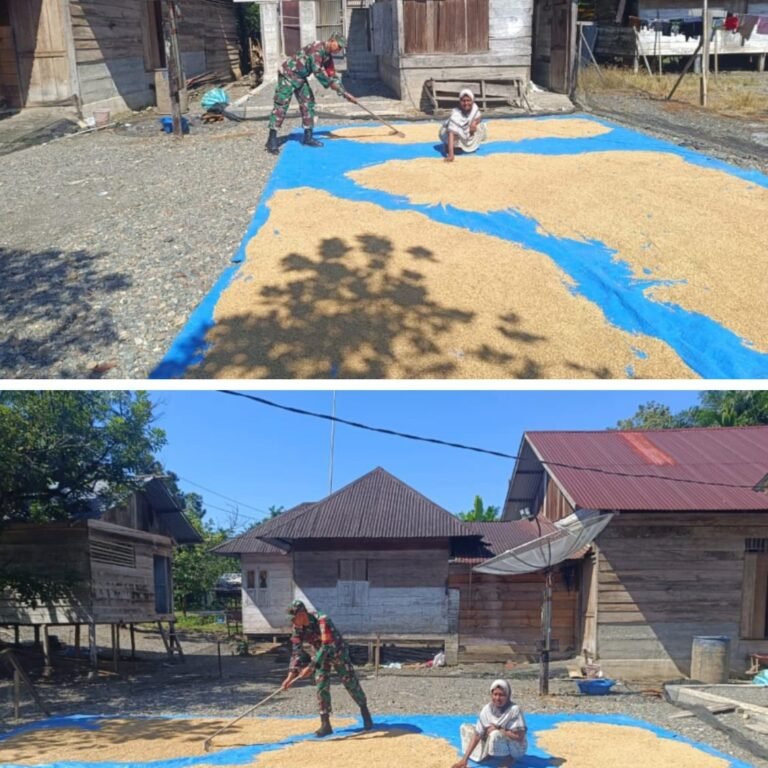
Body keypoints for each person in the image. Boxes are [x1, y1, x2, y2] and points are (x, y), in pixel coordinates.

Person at [281, 599, 374, 737]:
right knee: (321, 685)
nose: (292, 622)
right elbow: (296, 651)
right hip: (320, 655)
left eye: (293, 618)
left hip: (337, 652)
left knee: (350, 682)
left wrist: (310, 667)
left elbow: (326, 645)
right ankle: (325, 724)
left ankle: (365, 711)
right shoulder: (297, 628)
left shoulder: (322, 620)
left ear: (301, 614)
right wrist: (290, 676)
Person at [265, 33, 358, 155]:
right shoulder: (317, 49)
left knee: (308, 103)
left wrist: (344, 92)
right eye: (339, 46)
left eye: (341, 48)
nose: (339, 50)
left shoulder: (327, 56)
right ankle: (271, 140)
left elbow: (332, 75)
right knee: (281, 105)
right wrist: (333, 86)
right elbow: (318, 72)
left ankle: (308, 137)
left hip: (300, 78)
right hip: (288, 74)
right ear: (332, 40)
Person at [450, 679, 528, 768]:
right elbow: (477, 735)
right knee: (466, 729)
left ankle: (509, 758)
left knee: (495, 734)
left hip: (517, 747)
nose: (497, 698)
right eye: (495, 694)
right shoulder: (487, 709)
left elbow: (519, 736)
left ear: (508, 696)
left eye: (501, 695)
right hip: (500, 740)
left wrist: (499, 730)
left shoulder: (514, 710)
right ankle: (490, 752)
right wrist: (464, 760)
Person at [439, 88, 487, 162]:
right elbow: (451, 133)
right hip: (449, 133)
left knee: (481, 126)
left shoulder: (474, 108)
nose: (466, 103)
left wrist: (474, 123)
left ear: (472, 100)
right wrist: (451, 155)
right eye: (463, 101)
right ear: (460, 101)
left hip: (466, 132)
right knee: (454, 138)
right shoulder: (456, 114)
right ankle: (449, 146)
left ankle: (468, 145)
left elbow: (479, 117)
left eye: (468, 100)